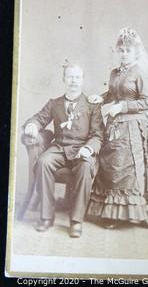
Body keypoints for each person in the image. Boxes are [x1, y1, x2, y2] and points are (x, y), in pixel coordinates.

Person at [87, 28, 148, 229]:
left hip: (133, 127)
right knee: (112, 169)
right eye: (121, 50)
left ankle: (129, 215)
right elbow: (114, 92)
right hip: (114, 126)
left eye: (128, 50)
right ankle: (112, 213)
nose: (124, 53)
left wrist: (122, 107)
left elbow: (147, 102)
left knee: (128, 169)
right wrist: (102, 97)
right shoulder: (114, 73)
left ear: (136, 52)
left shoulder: (140, 73)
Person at [24, 62, 104, 237]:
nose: (73, 81)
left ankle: (76, 221)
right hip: (59, 148)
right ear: (64, 79)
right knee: (43, 162)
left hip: (83, 149)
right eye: (70, 77)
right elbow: (39, 118)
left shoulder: (92, 105)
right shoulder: (55, 103)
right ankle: (46, 217)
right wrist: (32, 125)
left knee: (85, 167)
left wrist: (89, 149)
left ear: (82, 80)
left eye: (77, 77)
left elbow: (98, 134)